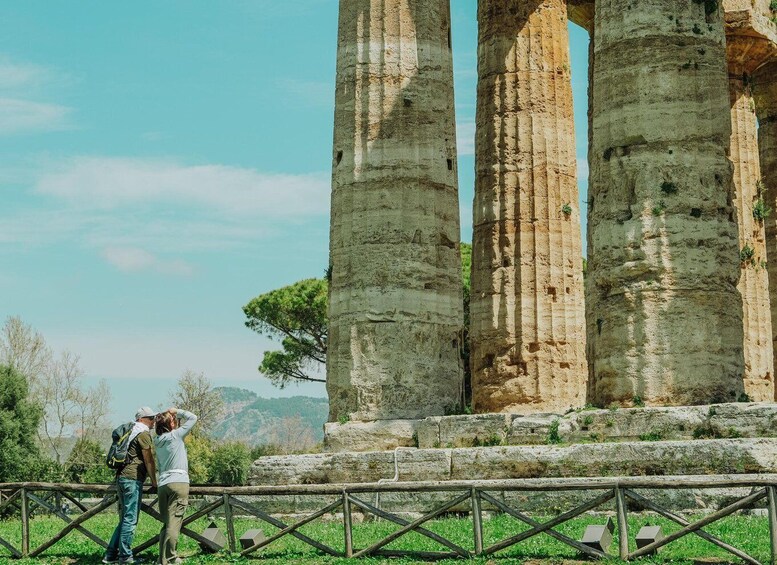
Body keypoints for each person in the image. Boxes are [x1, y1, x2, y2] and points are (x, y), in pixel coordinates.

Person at [104, 407, 158, 565]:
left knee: (125, 519)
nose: (153, 421)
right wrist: (154, 481)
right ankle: (125, 557)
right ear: (142, 419)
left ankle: (110, 554)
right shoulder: (143, 433)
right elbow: (149, 459)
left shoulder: (131, 431)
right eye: (150, 418)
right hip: (132, 479)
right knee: (130, 519)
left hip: (121, 477)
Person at [153, 407, 198, 565]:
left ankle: (161, 559)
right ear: (170, 425)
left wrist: (171, 417)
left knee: (167, 523)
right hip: (178, 482)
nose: (176, 422)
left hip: (163, 483)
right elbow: (193, 418)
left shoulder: (157, 441)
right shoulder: (176, 436)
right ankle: (171, 558)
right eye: (174, 421)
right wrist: (176, 411)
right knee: (174, 523)